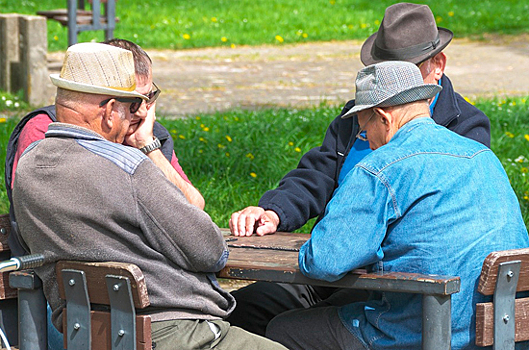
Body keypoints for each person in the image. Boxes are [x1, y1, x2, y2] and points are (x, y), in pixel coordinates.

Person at [227, 2, 492, 335]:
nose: (390, 80)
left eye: (404, 69)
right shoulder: (360, 114)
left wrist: (344, 247)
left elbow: (446, 230)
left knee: (293, 328)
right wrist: (274, 211)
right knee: (245, 308)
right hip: (337, 262)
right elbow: (319, 172)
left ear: (438, 64)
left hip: (394, 281)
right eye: (383, 68)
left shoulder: (463, 130)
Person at [11, 42, 287, 350]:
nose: (138, 115)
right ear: (108, 111)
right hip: (173, 331)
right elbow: (211, 250)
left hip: (86, 333)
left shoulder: (28, 166)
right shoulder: (128, 167)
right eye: (131, 107)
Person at [265, 60, 529, 350]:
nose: (367, 139)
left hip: (418, 334)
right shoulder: (483, 157)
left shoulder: (380, 168)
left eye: (364, 130)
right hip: (501, 333)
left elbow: (325, 261)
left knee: (283, 328)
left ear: (383, 117)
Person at [5, 38, 204, 257]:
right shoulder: (45, 129)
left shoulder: (149, 135)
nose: (143, 112)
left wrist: (148, 147)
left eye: (149, 98)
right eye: (133, 102)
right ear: (107, 102)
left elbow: (193, 215)